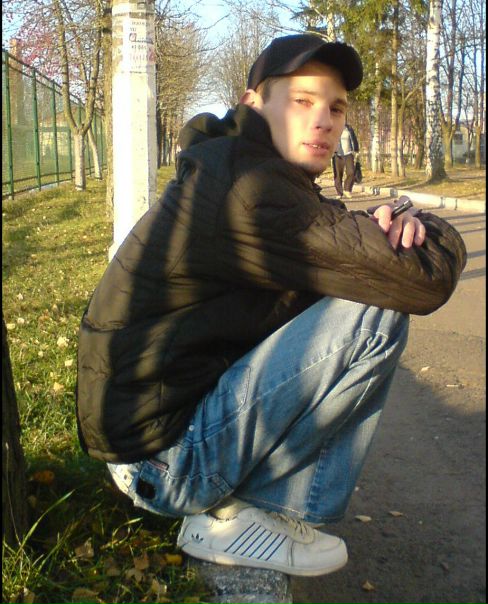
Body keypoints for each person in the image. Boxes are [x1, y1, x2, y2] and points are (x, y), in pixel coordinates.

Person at [76, 34, 466, 577]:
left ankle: (258, 511)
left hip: (154, 439)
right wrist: (426, 229)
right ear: (254, 103)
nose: (323, 121)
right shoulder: (250, 187)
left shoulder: (245, 167)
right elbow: (422, 282)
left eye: (335, 107)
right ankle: (254, 518)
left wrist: (395, 220)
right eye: (302, 101)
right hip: (165, 461)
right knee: (374, 312)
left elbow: (337, 252)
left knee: (356, 287)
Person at [332, 123, 359, 198]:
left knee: (351, 172)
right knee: (338, 175)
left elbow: (354, 138)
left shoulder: (348, 128)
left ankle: (347, 189)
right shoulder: (333, 129)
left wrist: (356, 150)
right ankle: (339, 193)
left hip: (348, 154)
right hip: (337, 155)